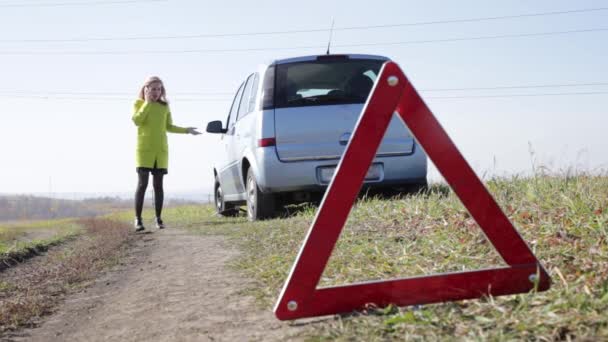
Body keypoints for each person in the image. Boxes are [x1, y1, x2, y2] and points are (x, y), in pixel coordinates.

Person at [131, 76, 200, 232]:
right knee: (142, 185)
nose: (156, 92)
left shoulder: (164, 107)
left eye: (159, 89)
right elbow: (137, 120)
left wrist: (186, 130)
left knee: (158, 186)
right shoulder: (138, 104)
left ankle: (158, 218)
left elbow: (169, 126)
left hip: (161, 152)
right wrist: (147, 103)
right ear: (146, 89)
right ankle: (138, 220)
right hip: (144, 151)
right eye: (153, 89)